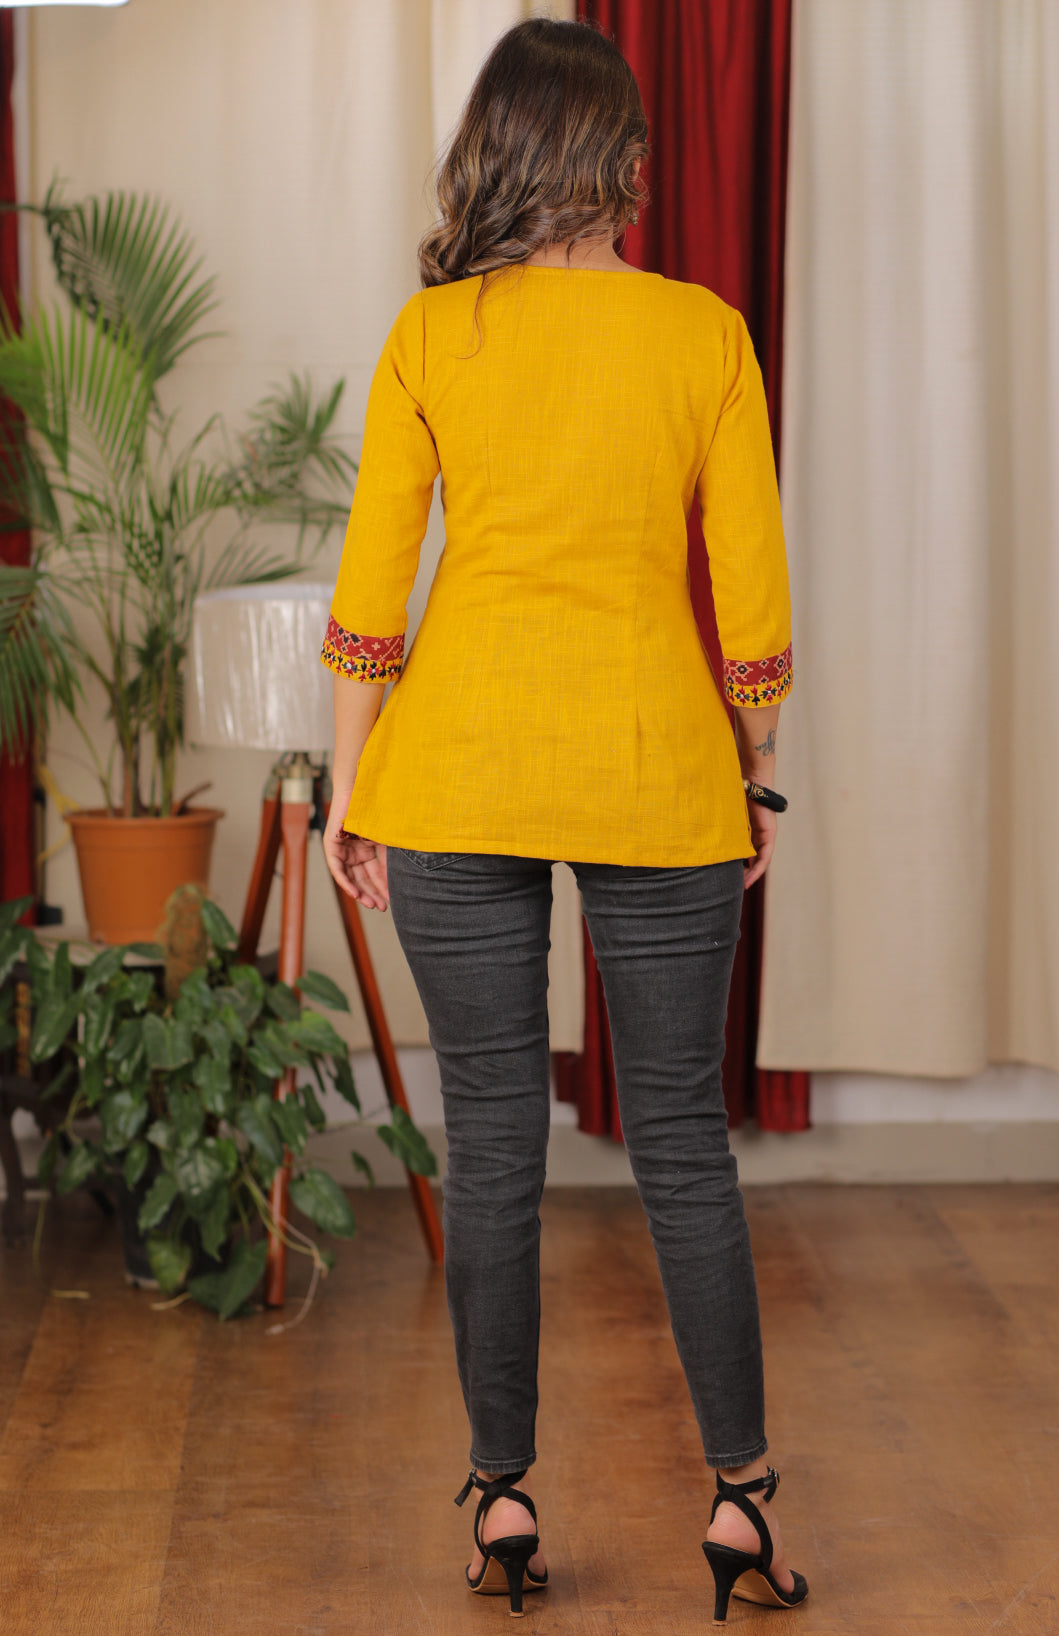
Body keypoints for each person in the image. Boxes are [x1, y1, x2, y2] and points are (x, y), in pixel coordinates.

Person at [320, 16, 806, 1624]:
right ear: (627, 163)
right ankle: (741, 1504)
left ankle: (504, 1497)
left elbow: (373, 591)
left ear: (497, 154)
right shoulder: (703, 334)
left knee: (493, 1144)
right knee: (681, 1142)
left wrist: (351, 784)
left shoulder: (431, 335)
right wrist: (754, 764)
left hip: (457, 770)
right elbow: (751, 597)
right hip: (658, 771)